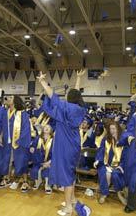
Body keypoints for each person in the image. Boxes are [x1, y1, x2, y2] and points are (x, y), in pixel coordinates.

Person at [37, 70, 86, 216]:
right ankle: (73, 200)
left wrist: (42, 82)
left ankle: (69, 208)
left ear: (69, 98)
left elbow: (54, 97)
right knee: (69, 173)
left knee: (66, 177)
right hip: (73, 144)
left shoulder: (66, 109)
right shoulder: (79, 109)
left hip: (65, 145)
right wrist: (78, 78)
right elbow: (75, 94)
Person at [0, 95, 31, 192]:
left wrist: (20, 140)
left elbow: (26, 129)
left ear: (15, 102)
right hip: (7, 141)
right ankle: (7, 179)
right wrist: (1, 136)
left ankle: (24, 181)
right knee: (7, 160)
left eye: (11, 98)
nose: (8, 99)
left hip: (19, 142)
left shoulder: (22, 114)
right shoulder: (6, 112)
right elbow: (3, 126)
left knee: (21, 161)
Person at [94, 120, 127, 205]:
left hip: (119, 165)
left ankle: (119, 194)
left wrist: (122, 165)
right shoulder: (106, 139)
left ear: (118, 129)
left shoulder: (123, 141)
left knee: (115, 174)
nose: (112, 130)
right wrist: (98, 160)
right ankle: (104, 194)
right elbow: (101, 150)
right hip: (107, 164)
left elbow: (126, 156)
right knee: (104, 172)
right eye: (110, 128)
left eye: (114, 128)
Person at [30, 124, 53, 194]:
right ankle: (37, 182)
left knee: (48, 170)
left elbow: (56, 153)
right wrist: (32, 148)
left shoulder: (53, 140)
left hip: (49, 162)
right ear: (42, 129)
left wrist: (49, 162)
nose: (46, 128)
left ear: (51, 131)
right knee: (34, 170)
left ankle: (47, 185)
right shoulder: (38, 138)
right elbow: (32, 146)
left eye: (48, 127)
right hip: (38, 161)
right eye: (45, 127)